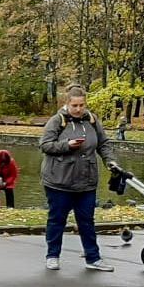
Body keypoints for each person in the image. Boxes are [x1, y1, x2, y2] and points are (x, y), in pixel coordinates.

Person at [39, 85, 122, 271]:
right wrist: (66, 145)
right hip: (59, 181)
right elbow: (45, 145)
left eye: (81, 105)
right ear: (67, 104)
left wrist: (111, 161)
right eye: (74, 105)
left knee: (87, 220)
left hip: (86, 181)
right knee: (57, 219)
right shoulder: (57, 121)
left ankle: (93, 258)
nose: (78, 109)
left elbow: (103, 144)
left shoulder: (92, 120)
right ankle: (52, 255)